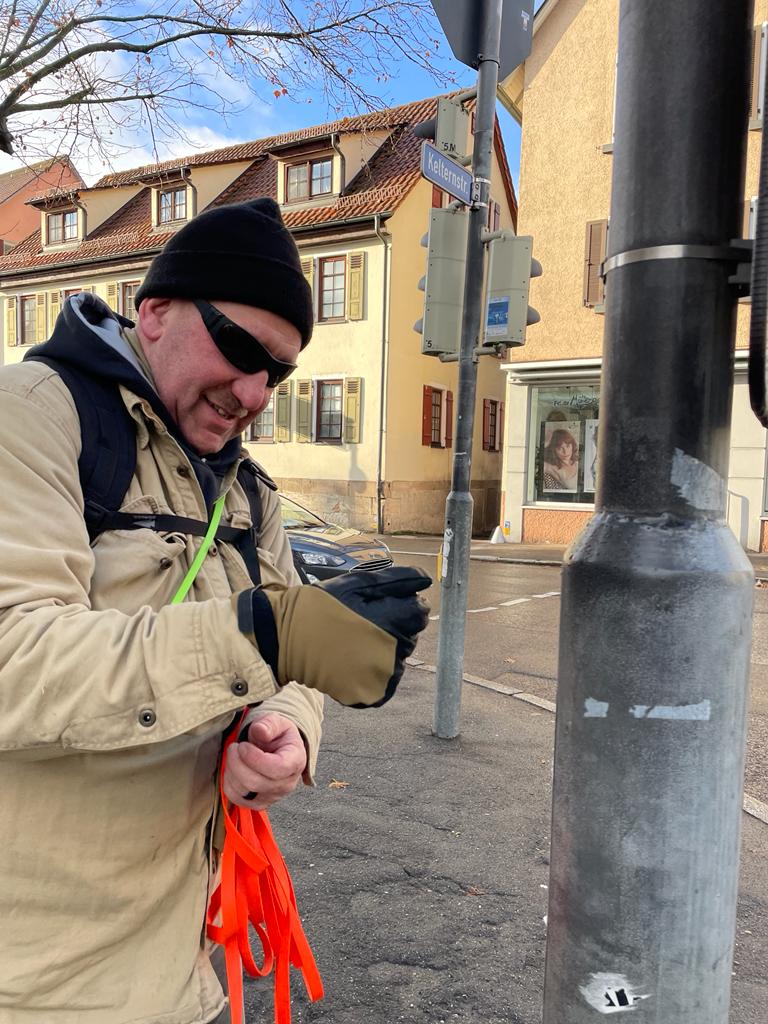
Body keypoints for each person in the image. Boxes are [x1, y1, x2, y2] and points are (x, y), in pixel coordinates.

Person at [0, 198, 430, 1024]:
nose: (256, 392)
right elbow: (13, 658)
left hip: (184, 965)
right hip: (39, 985)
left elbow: (285, 667)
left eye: (279, 373)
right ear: (155, 311)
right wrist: (264, 636)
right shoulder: (30, 413)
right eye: (240, 348)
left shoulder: (248, 490)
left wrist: (286, 732)